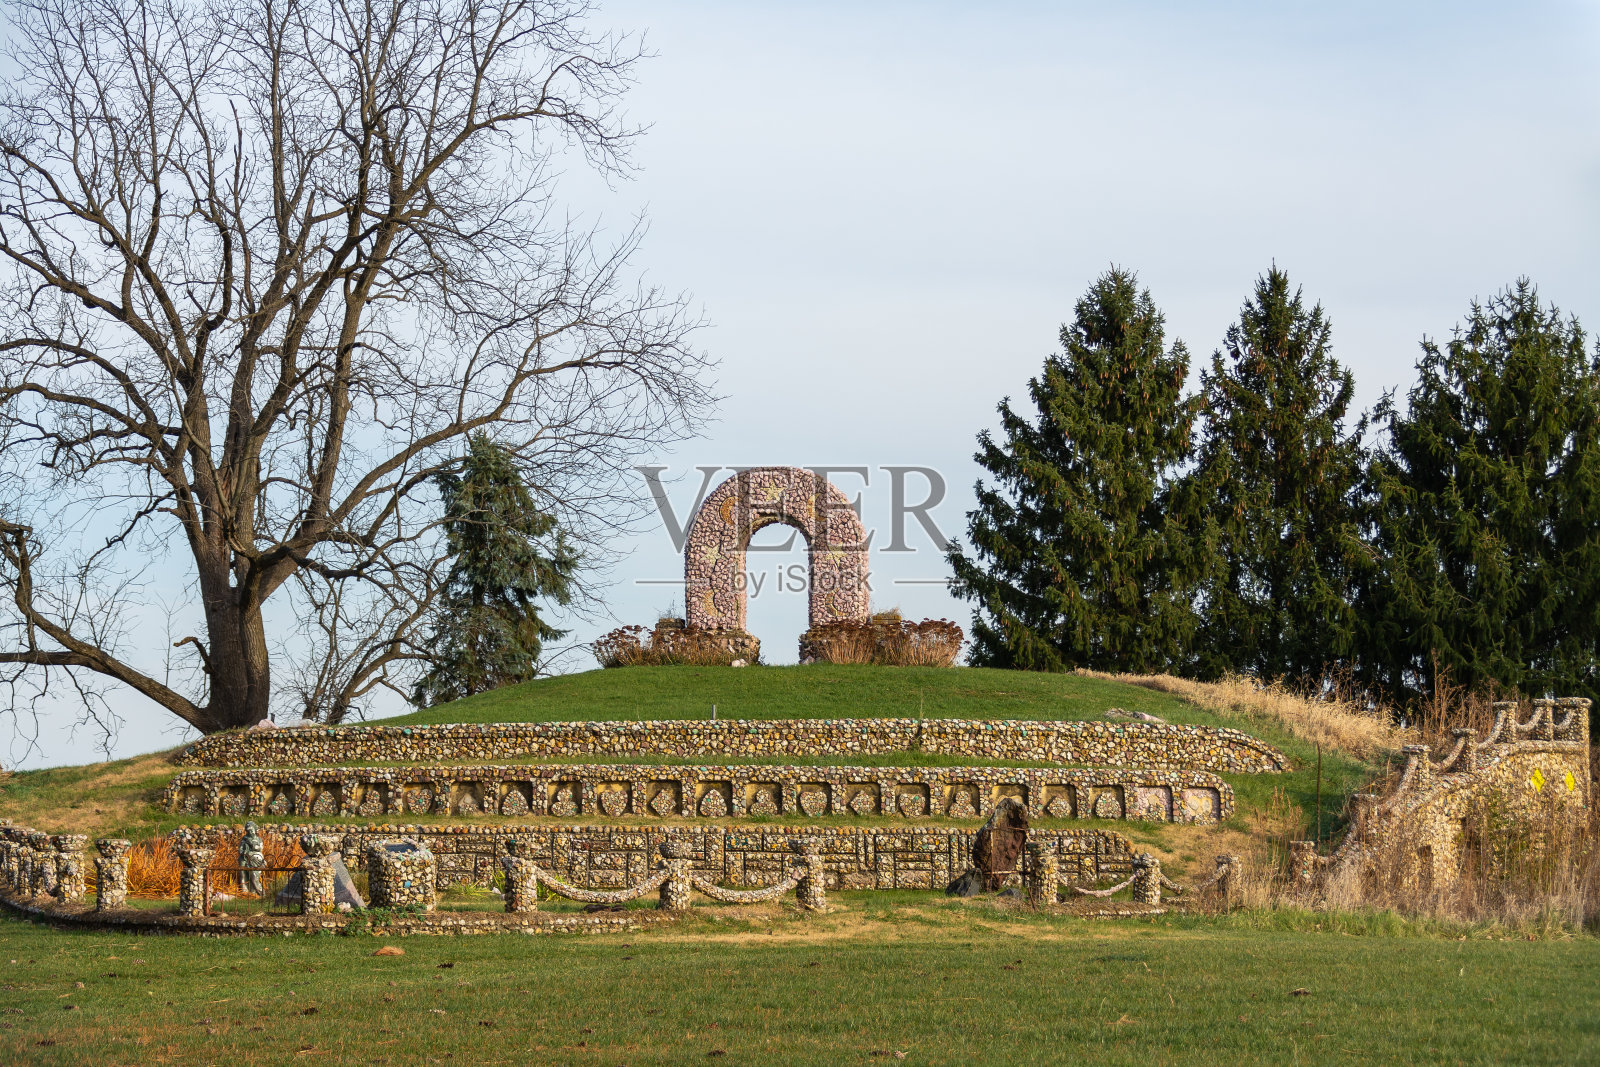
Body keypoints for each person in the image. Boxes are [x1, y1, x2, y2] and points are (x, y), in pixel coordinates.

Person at [238, 821, 265, 896]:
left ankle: (258, 892)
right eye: (248, 830)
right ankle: (245, 891)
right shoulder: (244, 838)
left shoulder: (259, 839)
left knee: (254, 876)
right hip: (245, 857)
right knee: (243, 874)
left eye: (251, 830)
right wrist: (245, 853)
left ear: (255, 830)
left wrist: (251, 844)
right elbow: (240, 849)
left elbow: (259, 848)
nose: (250, 832)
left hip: (255, 858)